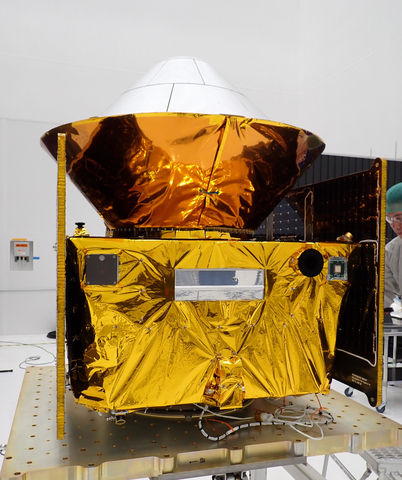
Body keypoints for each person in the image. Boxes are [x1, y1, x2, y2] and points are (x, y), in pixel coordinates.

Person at [384, 182, 402, 309]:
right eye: (390, 219)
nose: (396, 226)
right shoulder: (391, 251)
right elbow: (383, 292)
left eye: (400, 218)